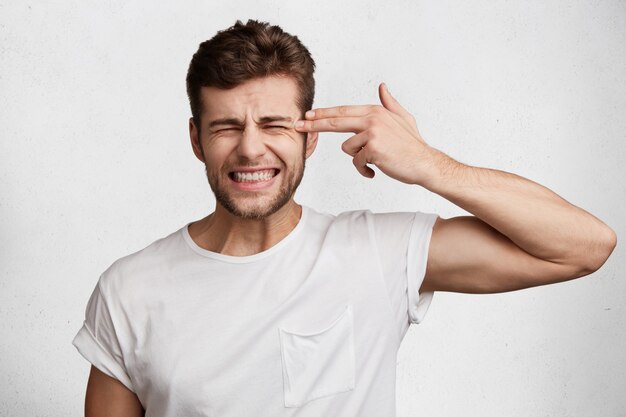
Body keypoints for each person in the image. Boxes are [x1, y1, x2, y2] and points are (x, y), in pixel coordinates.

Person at [72, 19, 617, 417]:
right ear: (196, 140)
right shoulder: (130, 290)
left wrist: (428, 164)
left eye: (275, 125)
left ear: (310, 139)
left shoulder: (376, 253)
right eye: (225, 127)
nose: (251, 149)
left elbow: (584, 246)